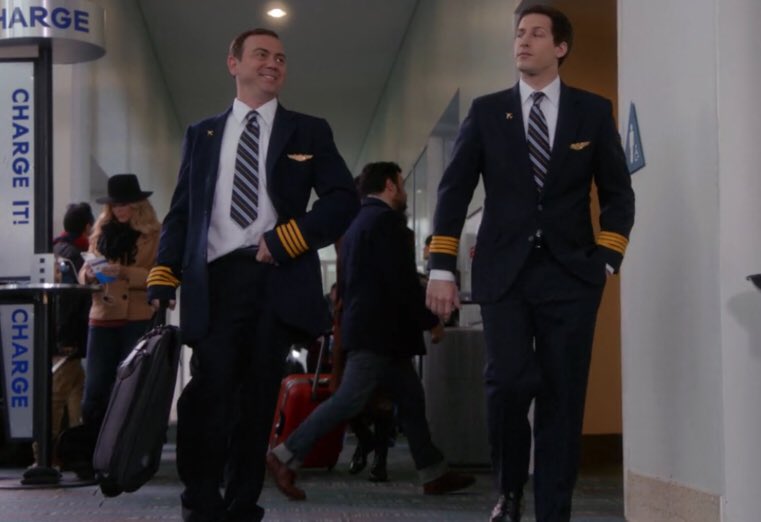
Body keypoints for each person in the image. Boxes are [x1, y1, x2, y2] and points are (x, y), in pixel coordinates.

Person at [425, 6, 635, 522]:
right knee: (509, 382)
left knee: (563, 397)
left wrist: (607, 259)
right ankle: (510, 488)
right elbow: (453, 191)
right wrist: (442, 267)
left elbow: (617, 192)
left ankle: (554, 510)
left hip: (572, 276)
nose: (523, 41)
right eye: (519, 33)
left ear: (560, 47)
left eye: (537, 33)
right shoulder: (487, 111)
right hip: (505, 275)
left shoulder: (592, 111)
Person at [145, 28, 358, 522]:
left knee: (258, 398)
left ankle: (243, 504)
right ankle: (201, 501)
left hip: (275, 278)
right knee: (209, 391)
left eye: (281, 58)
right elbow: (183, 211)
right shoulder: (202, 134)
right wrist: (163, 271)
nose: (273, 63)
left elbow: (342, 200)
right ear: (233, 63)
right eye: (261, 54)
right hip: (217, 281)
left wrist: (289, 238)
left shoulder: (309, 131)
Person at [267, 161, 475, 500]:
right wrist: (431, 320)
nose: (404, 193)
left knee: (411, 399)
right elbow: (402, 284)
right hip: (378, 333)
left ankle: (433, 472)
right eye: (402, 185)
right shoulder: (387, 223)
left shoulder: (355, 224)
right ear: (390, 185)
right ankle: (285, 455)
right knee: (349, 399)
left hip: (373, 331)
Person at [78, 174, 160, 432]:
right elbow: (84, 272)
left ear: (137, 205)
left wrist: (124, 272)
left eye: (124, 205)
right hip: (103, 314)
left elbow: (158, 276)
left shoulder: (154, 235)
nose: (119, 210)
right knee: (95, 389)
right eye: (114, 205)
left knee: (130, 387)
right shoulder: (100, 233)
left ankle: (125, 445)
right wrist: (89, 274)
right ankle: (93, 444)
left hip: (136, 316)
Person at [33, 203, 94, 466]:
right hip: (68, 339)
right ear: (87, 227)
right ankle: (47, 453)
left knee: (75, 389)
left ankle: (71, 449)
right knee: (59, 394)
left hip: (58, 336)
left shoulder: (55, 250)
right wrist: (66, 341)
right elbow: (69, 303)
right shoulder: (74, 257)